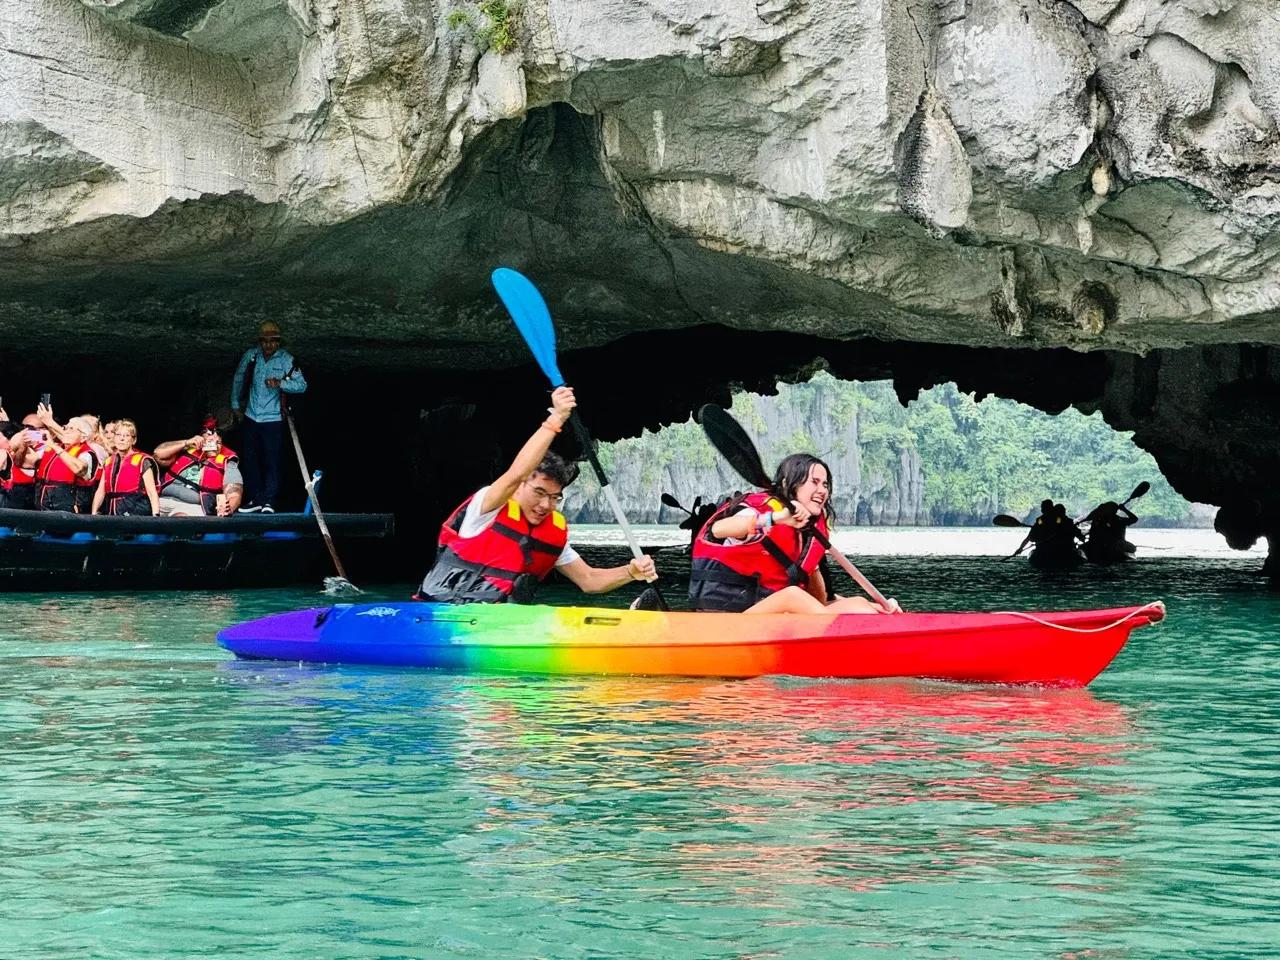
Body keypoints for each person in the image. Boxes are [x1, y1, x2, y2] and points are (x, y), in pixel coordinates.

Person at [416, 386, 657, 604]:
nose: (545, 504)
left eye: (554, 497)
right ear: (520, 486)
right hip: (440, 612)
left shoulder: (551, 532)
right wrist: (558, 417)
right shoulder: (487, 506)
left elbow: (589, 579)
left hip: (500, 623)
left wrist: (631, 572)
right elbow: (516, 473)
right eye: (539, 492)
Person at [689, 453, 894, 614]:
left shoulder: (807, 532)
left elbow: (818, 602)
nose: (823, 490)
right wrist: (777, 518)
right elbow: (719, 529)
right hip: (727, 617)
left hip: (771, 615)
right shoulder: (762, 511)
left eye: (825, 484)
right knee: (793, 596)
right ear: (789, 484)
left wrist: (809, 562)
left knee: (858, 605)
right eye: (814, 482)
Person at [230, 320, 307, 513]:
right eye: (265, 340)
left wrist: (280, 383)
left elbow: (302, 385)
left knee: (272, 460)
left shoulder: (286, 359)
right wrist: (235, 404)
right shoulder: (252, 356)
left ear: (279, 341)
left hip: (273, 419)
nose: (269, 344)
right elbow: (239, 378)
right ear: (260, 341)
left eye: (273, 341)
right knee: (250, 459)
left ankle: (270, 502)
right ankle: (256, 499)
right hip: (251, 416)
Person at [153, 418, 244, 517]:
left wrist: (228, 508)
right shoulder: (188, 450)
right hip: (162, 500)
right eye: (210, 440)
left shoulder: (228, 463)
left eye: (218, 442)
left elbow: (234, 493)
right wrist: (187, 442)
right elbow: (158, 454)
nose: (215, 444)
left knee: (179, 518)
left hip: (191, 507)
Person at [32, 408, 99, 512]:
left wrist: (54, 446)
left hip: (67, 509)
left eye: (71, 429)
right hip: (42, 504)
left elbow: (79, 469)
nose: (66, 431)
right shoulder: (55, 447)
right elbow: (30, 460)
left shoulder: (86, 453)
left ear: (83, 437)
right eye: (66, 427)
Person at [92, 420, 160, 516]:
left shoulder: (143, 461)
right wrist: (94, 513)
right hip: (112, 512)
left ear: (134, 440)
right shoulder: (108, 461)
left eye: (126, 435)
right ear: (114, 438)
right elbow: (100, 491)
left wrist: (156, 515)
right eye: (118, 435)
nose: (122, 439)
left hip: (136, 511)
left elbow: (151, 491)